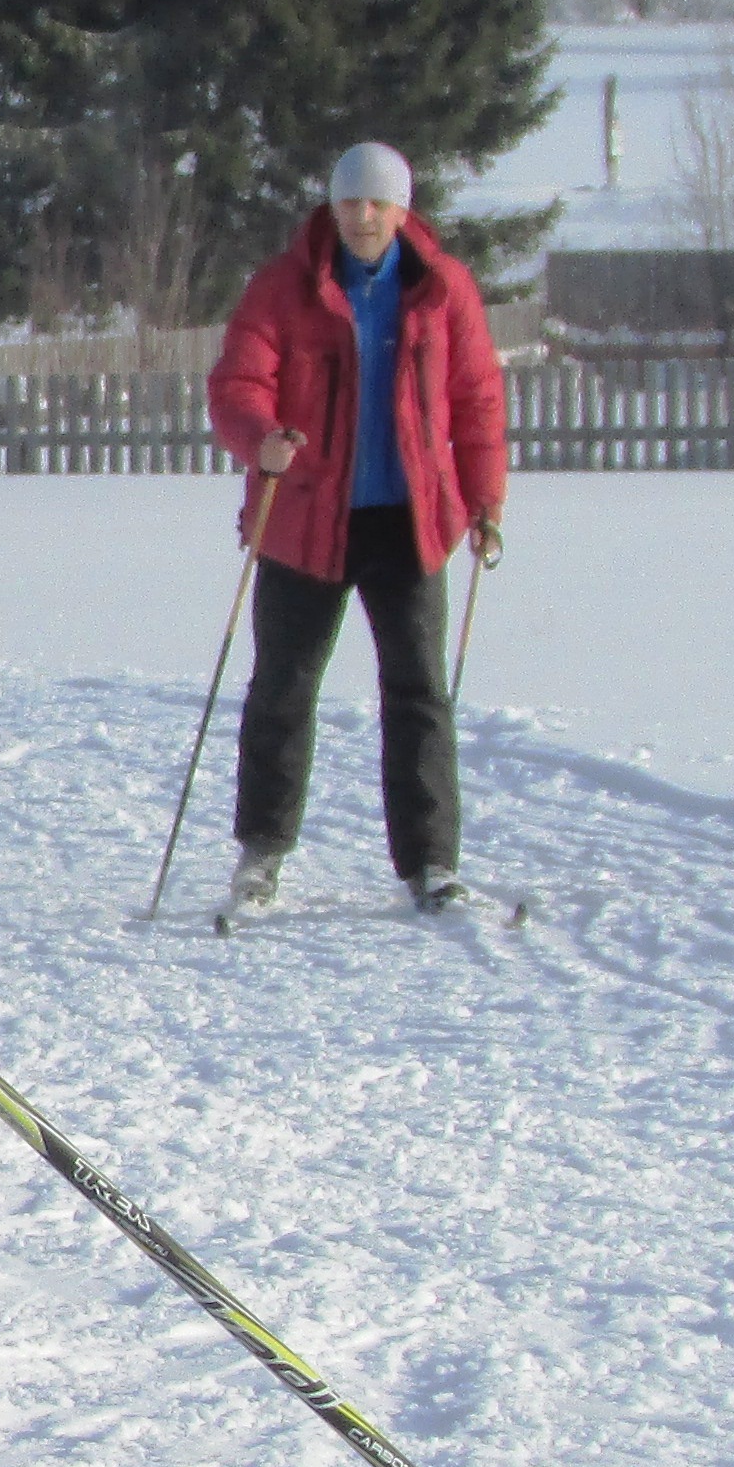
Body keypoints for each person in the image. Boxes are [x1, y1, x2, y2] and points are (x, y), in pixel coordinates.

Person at [202, 141, 506, 915]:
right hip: (305, 519)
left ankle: (432, 864)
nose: (363, 217)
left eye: (377, 204)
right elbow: (238, 382)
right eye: (350, 203)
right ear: (332, 207)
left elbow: (476, 401)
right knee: (284, 685)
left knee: (419, 692)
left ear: (403, 211)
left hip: (411, 522)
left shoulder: (443, 289)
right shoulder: (284, 287)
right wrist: (261, 438)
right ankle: (261, 855)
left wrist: (485, 502)